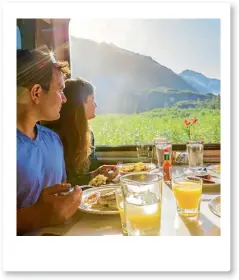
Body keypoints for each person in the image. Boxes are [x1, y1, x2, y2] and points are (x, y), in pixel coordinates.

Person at [17, 48, 82, 235]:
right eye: (60, 90)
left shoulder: (53, 140)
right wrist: (36, 216)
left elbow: (61, 195)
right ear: (36, 93)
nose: (64, 98)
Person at [43, 77, 118, 186]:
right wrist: (93, 176)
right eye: (92, 100)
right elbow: (65, 184)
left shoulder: (88, 134)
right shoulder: (54, 138)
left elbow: (90, 171)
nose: (95, 105)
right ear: (80, 105)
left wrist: (99, 173)